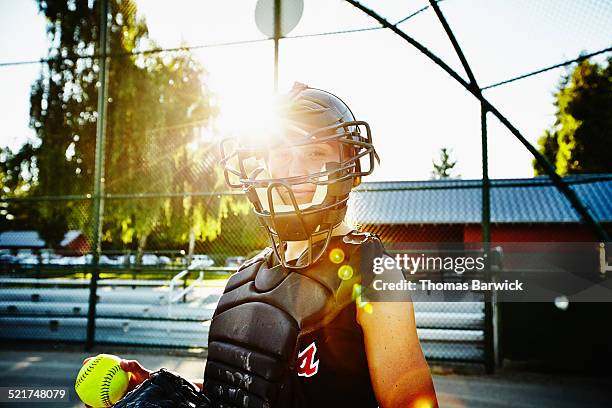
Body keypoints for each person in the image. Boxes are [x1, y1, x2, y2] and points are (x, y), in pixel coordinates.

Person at [84, 83, 439, 408]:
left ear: (348, 167)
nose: (294, 169)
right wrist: (169, 392)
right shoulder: (245, 277)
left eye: (315, 152)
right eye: (281, 153)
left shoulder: (369, 272)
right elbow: (246, 390)